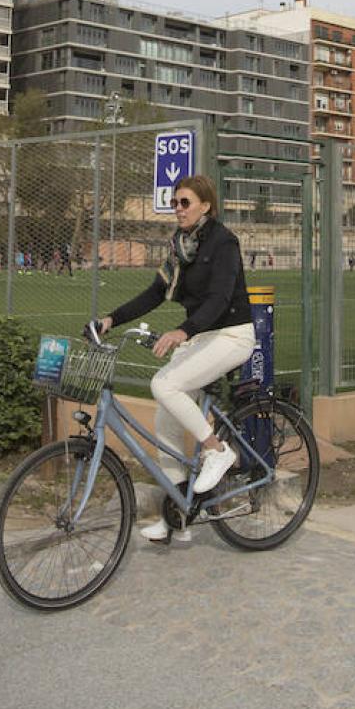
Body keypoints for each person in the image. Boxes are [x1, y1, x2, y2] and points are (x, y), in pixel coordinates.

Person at [92, 174, 256, 544]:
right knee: (166, 427)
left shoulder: (223, 242)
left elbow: (220, 297)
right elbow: (153, 293)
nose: (177, 209)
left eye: (185, 202)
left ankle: (217, 451)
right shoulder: (181, 247)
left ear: (206, 206)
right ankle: (178, 514)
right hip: (202, 336)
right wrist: (110, 319)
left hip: (231, 335)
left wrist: (184, 330)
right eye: (174, 203)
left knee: (163, 383)